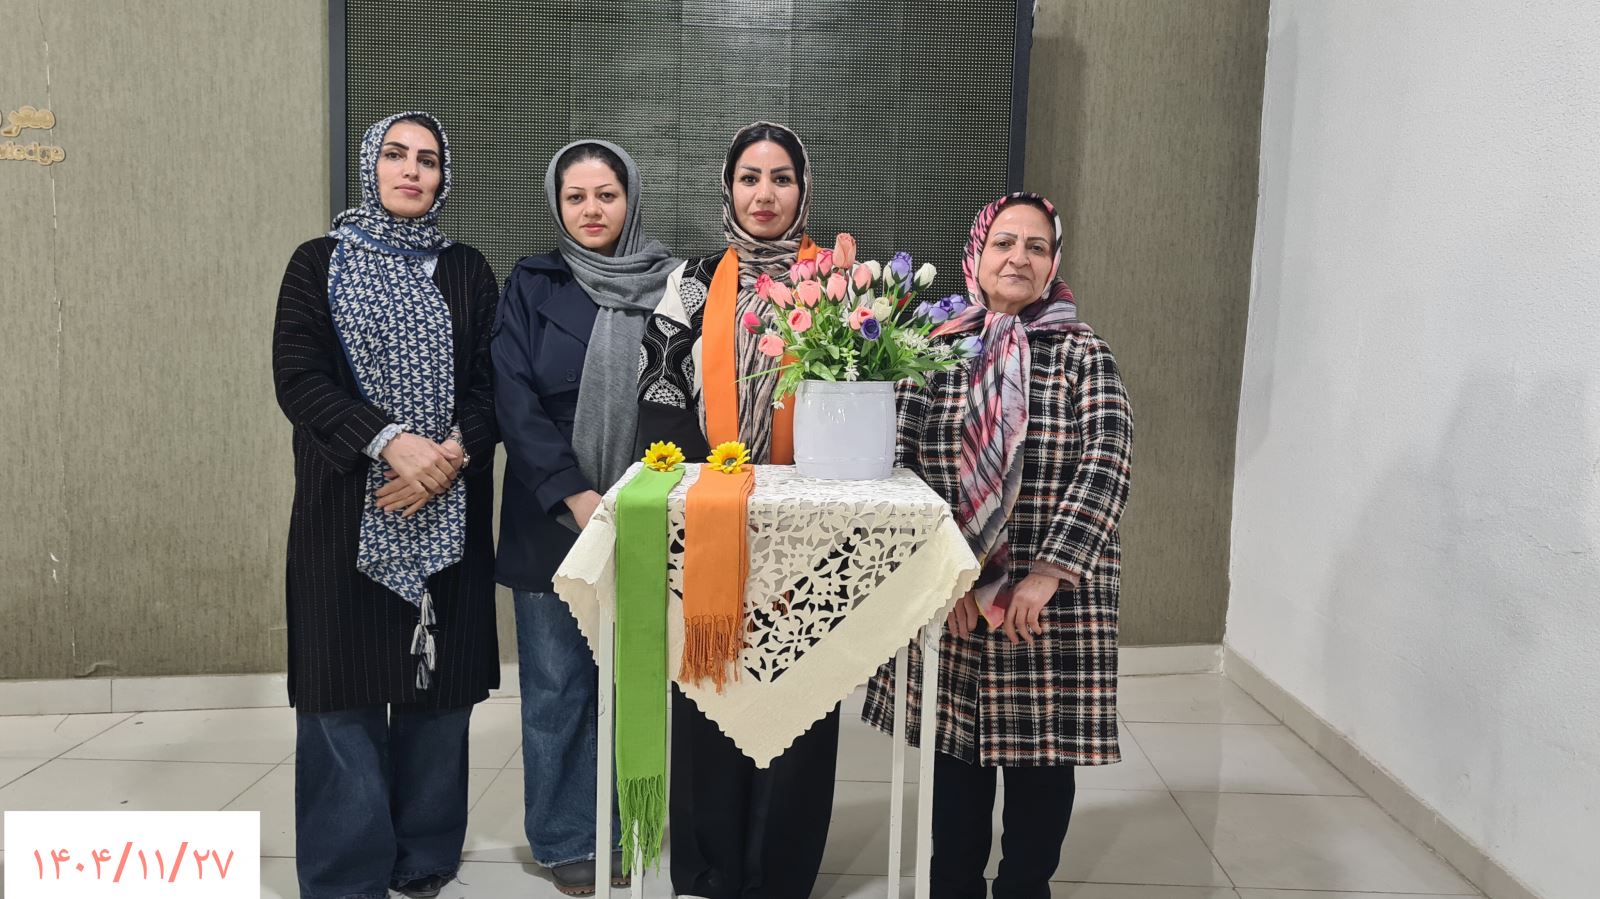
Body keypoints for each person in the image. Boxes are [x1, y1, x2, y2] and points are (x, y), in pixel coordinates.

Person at [864, 193, 1133, 899]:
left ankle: (1024, 887)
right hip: (952, 594)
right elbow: (899, 465)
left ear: (1053, 264)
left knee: (1042, 766)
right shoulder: (932, 348)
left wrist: (1047, 573)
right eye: (1004, 243)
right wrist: (943, 577)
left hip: (1048, 604)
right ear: (976, 256)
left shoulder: (1083, 352)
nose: (1018, 258)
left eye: (1036, 247)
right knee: (956, 762)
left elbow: (1107, 460)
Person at [271, 111, 500, 899]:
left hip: (449, 506)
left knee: (440, 696)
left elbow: (491, 384)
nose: (411, 170)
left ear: (444, 177)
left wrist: (447, 458)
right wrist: (391, 442)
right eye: (396, 154)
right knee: (342, 695)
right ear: (370, 165)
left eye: (427, 159)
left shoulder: (467, 269)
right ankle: (346, 872)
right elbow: (298, 376)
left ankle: (424, 853)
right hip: (344, 510)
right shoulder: (318, 261)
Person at [636, 121, 838, 899]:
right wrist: (718, 488)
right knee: (712, 688)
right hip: (712, 521)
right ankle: (711, 867)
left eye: (781, 177)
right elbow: (660, 394)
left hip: (809, 526)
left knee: (798, 697)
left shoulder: (840, 285)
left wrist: (786, 497)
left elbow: (863, 396)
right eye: (750, 177)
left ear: (803, 189)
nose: (765, 193)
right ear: (728, 187)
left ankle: (780, 872)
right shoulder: (690, 283)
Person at [492, 139, 678, 896]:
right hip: (552, 514)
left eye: (607, 194)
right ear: (557, 204)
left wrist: (643, 496)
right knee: (558, 685)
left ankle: (636, 824)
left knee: (638, 682)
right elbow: (512, 395)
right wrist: (575, 495)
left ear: (631, 199)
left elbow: (684, 395)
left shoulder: (674, 283)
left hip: (646, 509)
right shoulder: (532, 282)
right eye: (577, 197)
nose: (593, 210)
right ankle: (568, 835)